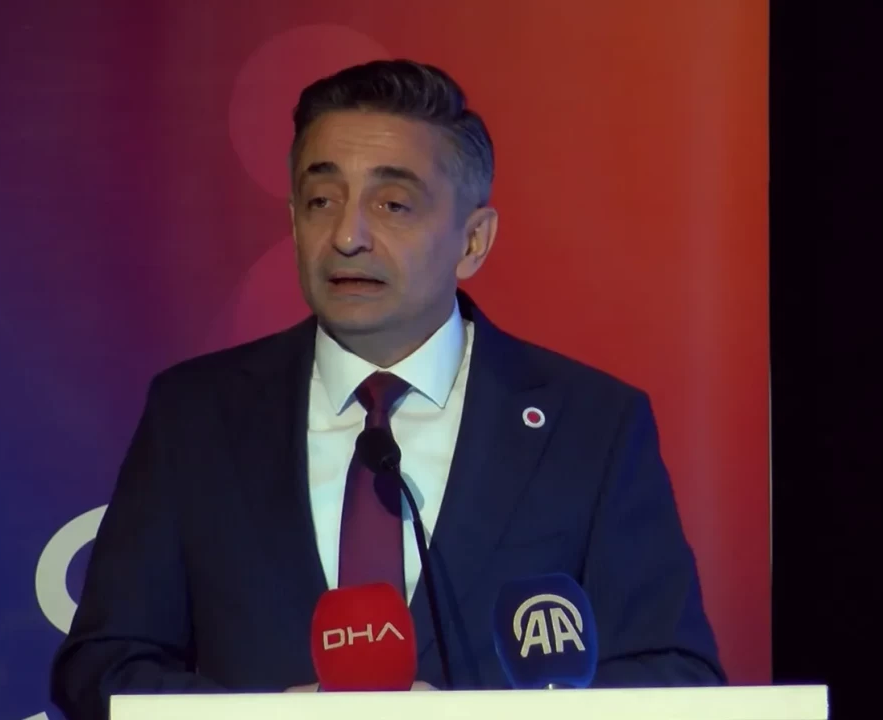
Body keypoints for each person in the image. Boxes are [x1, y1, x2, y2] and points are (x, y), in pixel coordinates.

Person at [51, 59, 724, 718]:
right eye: (321, 201)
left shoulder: (591, 425)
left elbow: (674, 675)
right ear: (294, 221)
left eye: (393, 204)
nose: (347, 235)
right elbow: (102, 668)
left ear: (473, 241)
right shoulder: (195, 415)